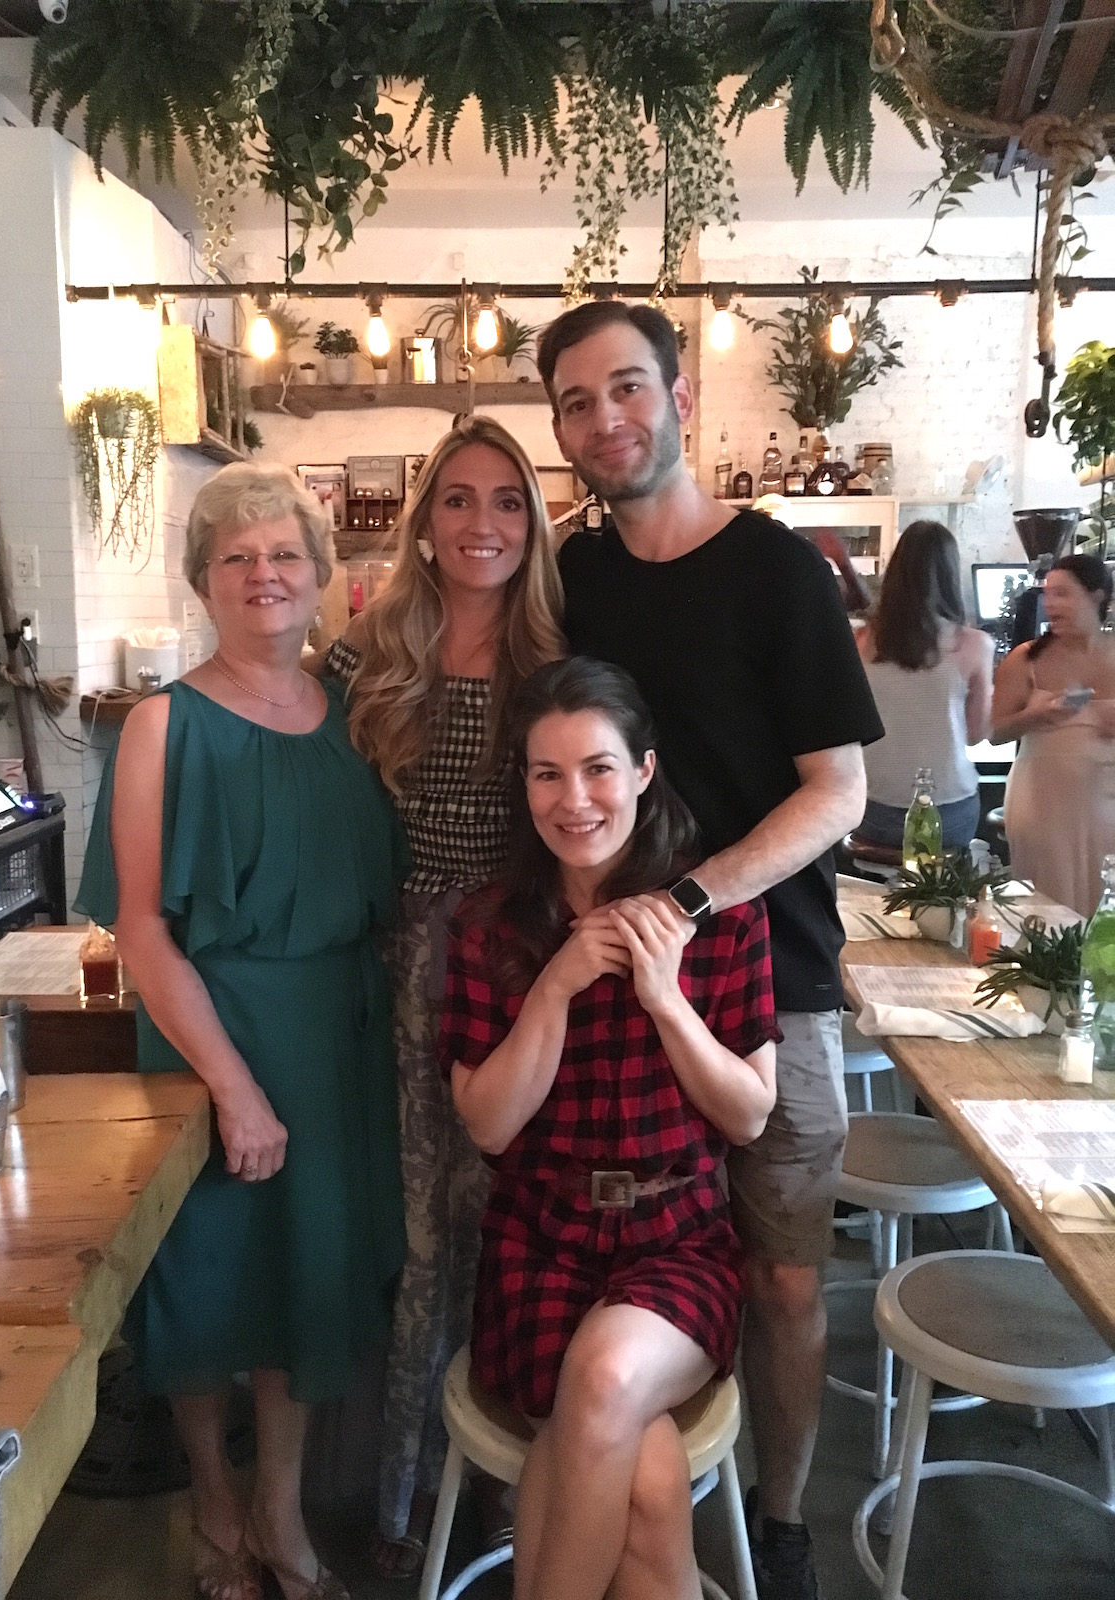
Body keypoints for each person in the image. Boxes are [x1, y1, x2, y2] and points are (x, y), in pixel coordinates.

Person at [537, 299, 883, 1600]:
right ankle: (643, 1511)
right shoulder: (572, 580)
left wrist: (688, 903)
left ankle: (780, 1521)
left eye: (627, 387)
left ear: (681, 398)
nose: (606, 419)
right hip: (610, 992)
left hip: (774, 983)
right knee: (623, 1258)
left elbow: (839, 791)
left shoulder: (778, 571)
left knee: (785, 1280)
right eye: (577, 402)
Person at [77, 463, 407, 1600]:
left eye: (284, 555)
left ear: (321, 576)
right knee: (207, 1278)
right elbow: (139, 928)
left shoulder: (356, 720)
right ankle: (214, 1505)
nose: (264, 574)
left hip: (337, 1038)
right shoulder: (162, 726)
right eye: (237, 558)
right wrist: (234, 1087)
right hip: (211, 1032)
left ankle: (280, 1506)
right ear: (203, 582)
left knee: (304, 1275)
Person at [443, 656, 779, 1600]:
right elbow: (489, 1127)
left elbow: (749, 1116)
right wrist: (554, 985)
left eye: (598, 769)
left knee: (601, 1384)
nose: (575, 800)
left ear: (643, 770)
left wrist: (665, 997)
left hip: (680, 1240)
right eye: (547, 774)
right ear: (523, 786)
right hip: (539, 1244)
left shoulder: (720, 919)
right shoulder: (489, 924)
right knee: (652, 1481)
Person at [323, 415, 565, 1575]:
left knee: (516, 1223)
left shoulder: (557, 660)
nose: (483, 524)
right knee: (420, 1238)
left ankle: (509, 1473)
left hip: (522, 965)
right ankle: (403, 1488)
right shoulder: (365, 656)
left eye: (508, 501)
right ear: (423, 525)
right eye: (458, 500)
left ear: (535, 523)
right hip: (400, 972)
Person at [855, 519, 993, 850]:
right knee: (941, 883)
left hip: (871, 804)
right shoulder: (975, 645)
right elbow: (976, 735)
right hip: (949, 806)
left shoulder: (859, 641)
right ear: (950, 574)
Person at [992, 553, 1115, 915]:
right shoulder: (1026, 658)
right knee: (1045, 911)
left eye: (1062, 593)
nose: (1050, 604)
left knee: (1103, 910)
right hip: (1042, 805)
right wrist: (1037, 716)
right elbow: (994, 732)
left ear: (1096, 597)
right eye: (1047, 594)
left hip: (1107, 804)